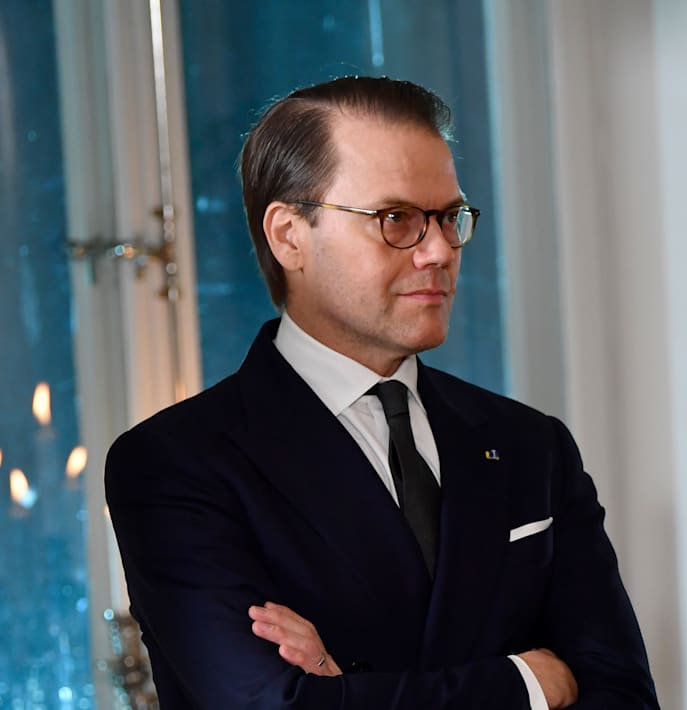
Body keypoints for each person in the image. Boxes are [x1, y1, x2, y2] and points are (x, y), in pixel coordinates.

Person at [106, 76, 658, 709]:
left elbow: (624, 697)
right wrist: (532, 682)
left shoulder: (532, 444)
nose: (439, 251)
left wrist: (347, 690)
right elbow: (270, 705)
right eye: (397, 219)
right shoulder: (176, 463)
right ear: (289, 235)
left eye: (449, 218)